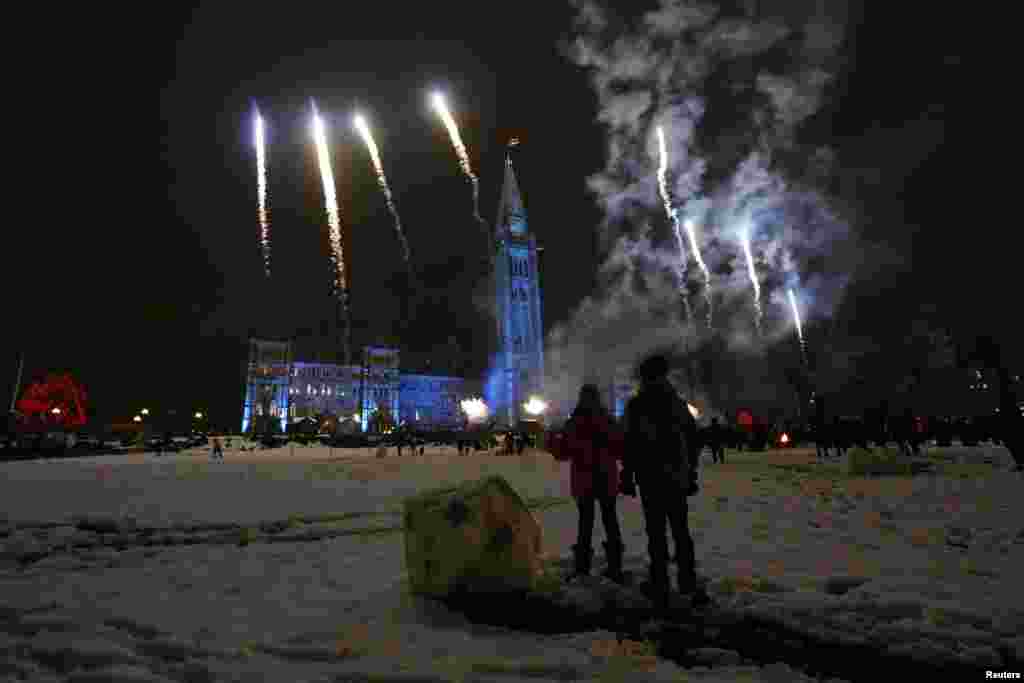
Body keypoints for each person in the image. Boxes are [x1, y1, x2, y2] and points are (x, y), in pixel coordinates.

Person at [622, 354, 711, 609]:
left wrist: (627, 475)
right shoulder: (676, 403)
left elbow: (629, 445)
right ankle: (687, 580)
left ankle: (659, 582)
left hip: (650, 478)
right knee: (681, 531)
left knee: (656, 533)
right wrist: (690, 470)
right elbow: (694, 439)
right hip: (676, 476)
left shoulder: (636, 405)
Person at [552, 384, 627, 584]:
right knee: (610, 520)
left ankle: (582, 566)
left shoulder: (574, 422)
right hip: (606, 478)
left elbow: (562, 452)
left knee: (585, 523)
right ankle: (615, 565)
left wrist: (551, 442)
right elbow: (620, 448)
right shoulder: (608, 420)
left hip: (584, 479)